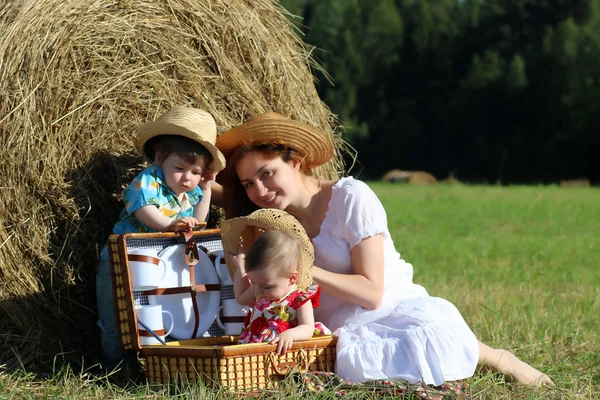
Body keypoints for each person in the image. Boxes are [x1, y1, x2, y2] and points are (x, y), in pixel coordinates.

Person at [212, 112, 554, 387]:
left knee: (422, 341)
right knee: (353, 362)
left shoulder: (349, 198)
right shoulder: (274, 226)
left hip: (385, 305)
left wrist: (306, 268)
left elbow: (372, 293)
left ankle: (497, 357)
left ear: (296, 162)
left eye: (267, 173)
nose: (259, 189)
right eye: (248, 184)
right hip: (330, 324)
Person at [96, 106, 225, 368]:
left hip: (158, 261)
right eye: (179, 168)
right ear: (158, 158)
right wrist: (169, 224)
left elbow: (199, 223)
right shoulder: (149, 180)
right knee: (116, 313)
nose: (187, 178)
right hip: (124, 258)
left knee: (155, 309)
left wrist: (207, 188)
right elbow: (142, 208)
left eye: (196, 172)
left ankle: (154, 362)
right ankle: (114, 366)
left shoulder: (190, 192)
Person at [221, 211, 331, 355]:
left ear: (292, 278)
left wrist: (290, 334)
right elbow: (241, 297)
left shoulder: (299, 298)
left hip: (285, 353)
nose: (258, 290)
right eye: (254, 283)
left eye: (266, 286)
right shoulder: (260, 290)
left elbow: (307, 327)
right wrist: (241, 270)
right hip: (256, 351)